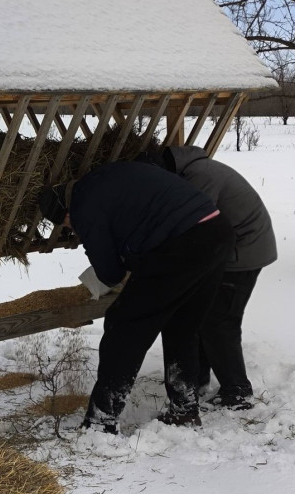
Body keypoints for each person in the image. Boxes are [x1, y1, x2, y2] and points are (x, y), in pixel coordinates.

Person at [38, 161, 234, 434]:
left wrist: (116, 270)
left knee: (124, 325)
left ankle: (101, 421)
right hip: (217, 231)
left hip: (182, 243)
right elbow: (140, 221)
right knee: (182, 325)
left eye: (67, 224)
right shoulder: (106, 177)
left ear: (66, 211)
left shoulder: (83, 205)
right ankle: (184, 410)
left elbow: (109, 272)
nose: (72, 229)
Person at [159, 145, 277, 409]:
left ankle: (237, 390)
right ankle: (199, 377)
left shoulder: (201, 176)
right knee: (205, 316)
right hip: (235, 248)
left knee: (220, 321)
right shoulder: (198, 170)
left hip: (243, 252)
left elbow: (196, 222)